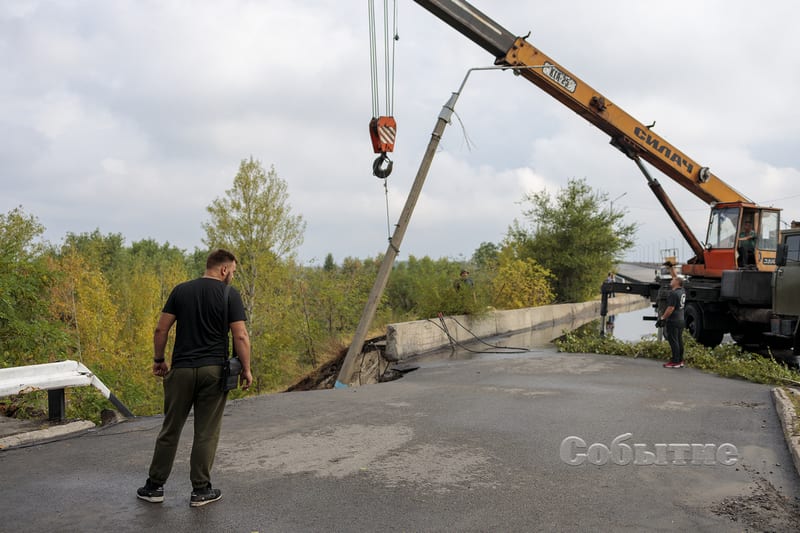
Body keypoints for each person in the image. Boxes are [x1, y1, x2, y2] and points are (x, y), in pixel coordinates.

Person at [137, 249, 253, 507]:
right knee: (206, 432)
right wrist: (246, 368)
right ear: (223, 270)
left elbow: (160, 329)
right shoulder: (229, 294)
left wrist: (159, 360)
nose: (232, 276)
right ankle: (201, 491)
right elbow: (241, 335)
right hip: (214, 372)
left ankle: (154, 487)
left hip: (181, 371)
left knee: (170, 428)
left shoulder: (181, 291)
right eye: (232, 271)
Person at [659, 263, 686, 369]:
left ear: (677, 283)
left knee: (673, 341)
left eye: (673, 280)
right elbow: (676, 277)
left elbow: (670, 308)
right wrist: (671, 268)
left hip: (673, 321)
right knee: (679, 340)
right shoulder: (682, 291)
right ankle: (680, 360)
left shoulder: (673, 294)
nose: (671, 280)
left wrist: (662, 318)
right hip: (681, 320)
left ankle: (675, 361)